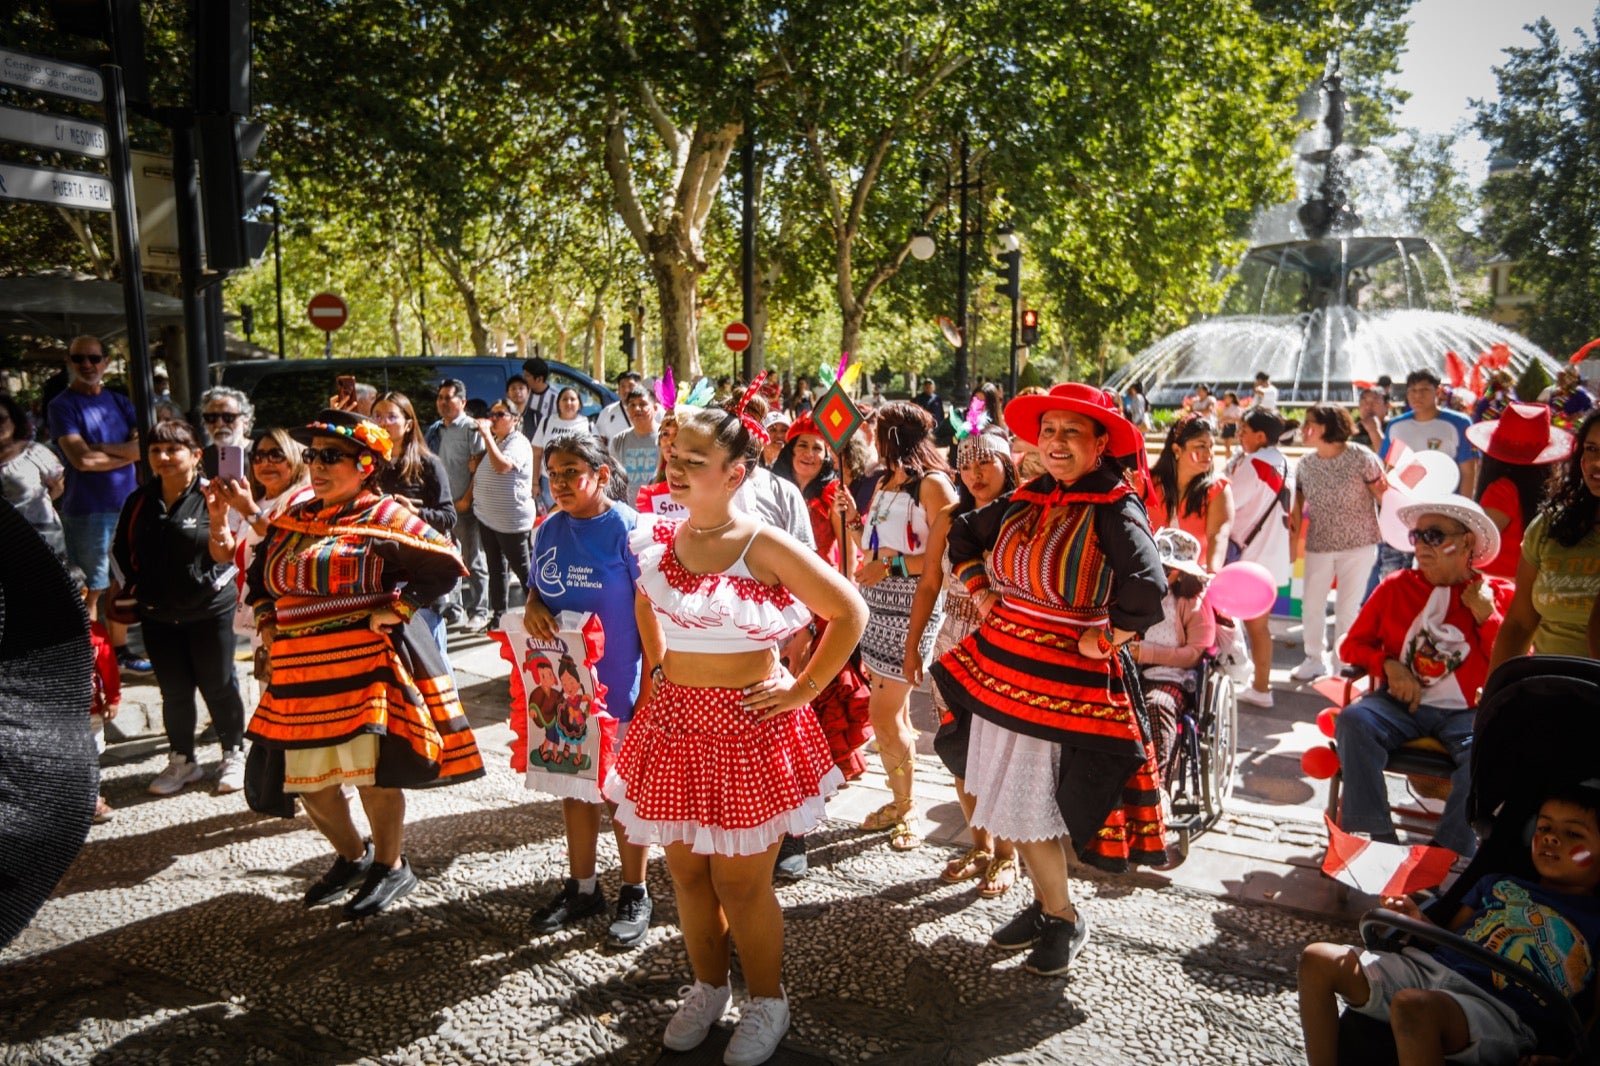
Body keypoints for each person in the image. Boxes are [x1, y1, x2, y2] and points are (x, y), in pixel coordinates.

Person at [603, 391, 868, 1065]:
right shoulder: (660, 535)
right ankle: (708, 986)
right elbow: (645, 601)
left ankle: (768, 1000)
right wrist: (659, 666)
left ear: (735, 473)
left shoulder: (764, 543)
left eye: (697, 458)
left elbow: (848, 611)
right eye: (674, 456)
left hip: (749, 728)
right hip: (674, 726)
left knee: (741, 883)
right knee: (686, 875)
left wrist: (802, 687)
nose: (679, 467)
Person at [931, 382, 1167, 976]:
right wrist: (982, 592)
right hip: (1005, 670)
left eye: (1072, 433)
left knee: (1029, 799)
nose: (1056, 443)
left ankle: (1062, 916)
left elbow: (1148, 587)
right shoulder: (1031, 495)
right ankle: (1047, 906)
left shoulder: (1115, 505)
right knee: (1017, 798)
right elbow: (962, 534)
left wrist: (1108, 635)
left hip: (1061, 684)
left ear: (1101, 442)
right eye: (1050, 431)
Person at [246, 409, 483, 918]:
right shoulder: (294, 518)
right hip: (298, 675)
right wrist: (267, 617)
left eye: (332, 457)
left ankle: (392, 865)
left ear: (366, 465)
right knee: (312, 785)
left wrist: (396, 608)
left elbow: (445, 566)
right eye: (312, 456)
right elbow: (259, 578)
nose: (317, 466)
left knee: (373, 776)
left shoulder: (384, 516)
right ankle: (354, 856)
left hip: (363, 668)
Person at [1299, 785, 1600, 1066]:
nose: (1551, 837)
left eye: (1573, 833)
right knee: (1317, 960)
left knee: (1414, 1008)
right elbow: (1450, 939)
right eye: (1544, 827)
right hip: (1432, 970)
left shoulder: (1595, 919)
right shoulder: (1496, 883)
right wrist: (1418, 920)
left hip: (1500, 1010)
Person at [523, 435, 652, 949]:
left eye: (570, 472)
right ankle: (582, 888)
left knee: (623, 794)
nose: (558, 483)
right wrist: (533, 599)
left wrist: (653, 683)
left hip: (622, 685)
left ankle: (635, 890)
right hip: (563, 689)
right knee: (577, 788)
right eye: (552, 473)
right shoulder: (549, 528)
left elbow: (654, 611)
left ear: (601, 475)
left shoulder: (629, 528)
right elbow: (541, 584)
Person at [1335, 495, 1511, 856]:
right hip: (1399, 707)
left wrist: (1487, 617)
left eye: (1434, 535)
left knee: (1488, 755)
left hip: (1468, 713)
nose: (1420, 546)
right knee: (1353, 720)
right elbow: (1351, 646)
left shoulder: (1497, 594)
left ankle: (1441, 855)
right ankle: (1377, 840)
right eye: (1417, 536)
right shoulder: (1396, 586)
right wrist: (1387, 664)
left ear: (1466, 543)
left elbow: (1515, 664)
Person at [903, 429, 1020, 899]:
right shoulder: (950, 519)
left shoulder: (1021, 514)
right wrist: (913, 647)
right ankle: (979, 845)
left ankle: (1008, 856)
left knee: (1002, 756)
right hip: (951, 646)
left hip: (1004, 649)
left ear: (1006, 465)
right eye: (966, 463)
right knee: (959, 751)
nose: (975, 473)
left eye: (985, 462)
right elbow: (929, 585)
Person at [840, 401, 958, 851]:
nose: (868, 433)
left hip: (912, 610)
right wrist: (855, 519)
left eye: (875, 427)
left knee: (883, 715)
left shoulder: (934, 486)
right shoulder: (888, 481)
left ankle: (905, 808)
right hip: (876, 609)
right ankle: (899, 799)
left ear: (892, 434)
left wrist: (889, 568)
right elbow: (872, 550)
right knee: (898, 715)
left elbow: (942, 562)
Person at [110, 420, 248, 796]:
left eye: (174, 449)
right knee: (173, 691)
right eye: (156, 450)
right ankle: (182, 760)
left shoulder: (215, 495)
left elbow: (233, 549)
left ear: (196, 455)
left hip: (209, 610)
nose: (165, 457)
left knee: (218, 685)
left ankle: (232, 752)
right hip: (157, 613)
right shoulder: (139, 501)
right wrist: (135, 588)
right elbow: (121, 551)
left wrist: (215, 582)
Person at [47, 335, 147, 673]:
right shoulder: (62, 405)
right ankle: (92, 660)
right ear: (70, 361)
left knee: (122, 586)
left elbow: (140, 451)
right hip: (88, 512)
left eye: (93, 358)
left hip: (128, 506)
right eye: (79, 359)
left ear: (105, 362)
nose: (86, 365)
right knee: (92, 588)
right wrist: (124, 452)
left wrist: (101, 446)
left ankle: (118, 653)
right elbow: (81, 462)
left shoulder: (121, 402)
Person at [1490, 408, 1600, 666]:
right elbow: (1519, 623)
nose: (1597, 462)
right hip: (1545, 691)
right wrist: (1495, 691)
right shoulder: (1549, 527)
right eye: (1591, 448)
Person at [1290, 403, 1387, 681]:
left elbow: (1383, 495)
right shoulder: (1306, 464)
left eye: (1309, 422)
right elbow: (1296, 507)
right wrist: (1291, 541)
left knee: (1347, 608)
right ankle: (1314, 659)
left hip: (1359, 543)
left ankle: (1341, 662)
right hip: (1320, 543)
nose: (1303, 428)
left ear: (1328, 427)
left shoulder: (1361, 457)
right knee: (1312, 603)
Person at [205, 428, 313, 651]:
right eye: (259, 457)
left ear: (295, 457)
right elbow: (225, 555)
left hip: (290, 615)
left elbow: (281, 537)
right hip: (260, 614)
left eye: (276, 455)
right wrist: (218, 517)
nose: (266, 463)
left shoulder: (305, 497)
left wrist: (248, 510)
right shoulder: (254, 499)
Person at [371, 392, 457, 660]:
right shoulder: (367, 466)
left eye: (391, 416)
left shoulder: (428, 463)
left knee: (431, 660)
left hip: (422, 580)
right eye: (377, 416)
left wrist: (415, 513)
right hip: (379, 578)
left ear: (409, 424)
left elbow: (448, 516)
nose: (383, 422)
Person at [1130, 528, 1216, 780]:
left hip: (1172, 677)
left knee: (1157, 705)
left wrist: (1145, 653)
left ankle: (1159, 784)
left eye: (1166, 570)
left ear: (1180, 574)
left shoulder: (1193, 603)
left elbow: (1193, 654)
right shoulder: (1138, 589)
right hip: (1132, 670)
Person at [1225, 407, 1293, 707]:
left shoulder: (1255, 463)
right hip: (1271, 555)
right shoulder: (1284, 461)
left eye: (1243, 430)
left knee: (1246, 625)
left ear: (1260, 435)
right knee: (1258, 625)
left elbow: (1227, 502)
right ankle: (1260, 685)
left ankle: (1260, 688)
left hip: (1249, 556)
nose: (1239, 435)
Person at [1466, 401, 1571, 581]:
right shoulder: (1554, 488)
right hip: (1534, 587)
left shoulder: (1501, 491)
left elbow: (1476, 545)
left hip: (1497, 590)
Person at [427, 380, 489, 630]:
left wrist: (467, 499)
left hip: (465, 505)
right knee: (447, 558)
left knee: (472, 559)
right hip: (442, 507)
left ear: (462, 402)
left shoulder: (471, 429)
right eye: (440, 397)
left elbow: (481, 466)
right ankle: (454, 608)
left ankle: (480, 610)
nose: (442, 402)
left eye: (448, 398)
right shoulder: (435, 430)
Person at [473, 399, 538, 629]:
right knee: (496, 568)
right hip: (488, 517)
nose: (493, 419)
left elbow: (502, 467)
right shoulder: (499, 441)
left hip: (511, 521)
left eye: (500, 415)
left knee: (524, 571)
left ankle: (540, 612)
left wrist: (487, 436)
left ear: (515, 419)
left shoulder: (517, 442)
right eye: (492, 413)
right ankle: (499, 616)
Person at [1146, 414, 1234, 573]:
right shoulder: (1148, 484)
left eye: (1211, 446)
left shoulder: (1217, 489)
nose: (1209, 454)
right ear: (1176, 450)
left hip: (1192, 584)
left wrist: (1212, 574)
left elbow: (1218, 535)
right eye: (1200, 446)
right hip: (1150, 579)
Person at [69, 564, 120, 822]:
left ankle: (91, 800)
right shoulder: (44, 638)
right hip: (60, 714)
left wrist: (113, 699)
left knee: (91, 755)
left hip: (91, 711)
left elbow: (109, 668)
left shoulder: (96, 634)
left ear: (83, 593)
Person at [1382, 368, 1477, 497]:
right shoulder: (1397, 426)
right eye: (1413, 390)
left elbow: (1468, 471)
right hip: (1407, 500)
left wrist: (1465, 508)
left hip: (1446, 500)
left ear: (1437, 391)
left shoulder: (1459, 423)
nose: (1417, 396)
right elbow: (1389, 467)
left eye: (1424, 390)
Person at [1, 393, 66, 557]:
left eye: (1, 419)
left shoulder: (33, 452)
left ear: (14, 420)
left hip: (43, 539)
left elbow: (59, 486)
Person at [530, 386, 592, 499]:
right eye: (564, 399)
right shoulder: (547, 422)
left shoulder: (587, 424)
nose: (569, 402)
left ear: (579, 404)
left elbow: (595, 456)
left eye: (573, 399)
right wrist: (535, 482)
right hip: (549, 481)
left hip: (578, 481)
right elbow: (536, 454)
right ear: (558, 403)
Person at [609, 386, 659, 491]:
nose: (636, 409)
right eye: (632, 405)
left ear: (655, 408)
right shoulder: (619, 440)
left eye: (642, 404)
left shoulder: (667, 437)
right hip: (629, 505)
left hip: (660, 504)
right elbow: (613, 476)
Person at [198, 386, 254, 480]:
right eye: (211, 418)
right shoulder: (200, 459)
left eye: (228, 417)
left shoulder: (260, 453)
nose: (219, 424)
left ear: (245, 422)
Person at [1541, 365, 1595, 431]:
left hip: (1571, 429)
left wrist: (1577, 415)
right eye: (1563, 376)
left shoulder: (1579, 393)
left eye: (1570, 377)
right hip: (1555, 427)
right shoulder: (1556, 392)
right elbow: (1550, 409)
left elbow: (1589, 408)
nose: (1565, 379)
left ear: (1575, 379)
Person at [594, 369, 645, 440]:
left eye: (631, 386)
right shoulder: (607, 412)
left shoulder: (651, 410)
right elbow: (598, 438)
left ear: (640, 387)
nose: (626, 390)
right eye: (623, 386)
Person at [1353, 386, 1388, 454]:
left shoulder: (1395, 428)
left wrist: (1374, 431)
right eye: (1364, 402)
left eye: (1375, 402)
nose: (1368, 407)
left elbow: (1390, 460)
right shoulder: (1350, 431)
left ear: (1387, 407)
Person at [1217, 390, 1243, 457]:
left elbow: (1239, 418)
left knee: (1228, 445)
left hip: (1232, 426)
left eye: (1226, 397)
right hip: (1226, 426)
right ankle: (1228, 459)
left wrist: (1229, 419)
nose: (1224, 399)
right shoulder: (1226, 408)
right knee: (1226, 446)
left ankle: (1229, 459)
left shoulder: (1236, 408)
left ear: (1231, 398)